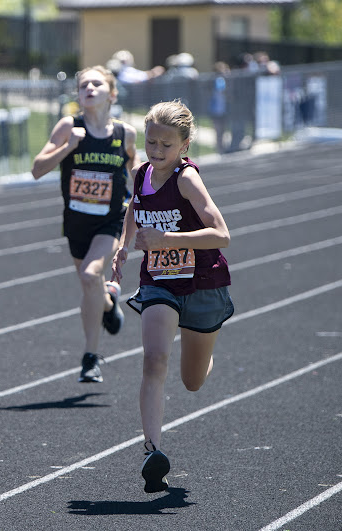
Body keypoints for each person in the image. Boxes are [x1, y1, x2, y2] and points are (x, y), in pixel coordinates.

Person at [111, 99, 233, 493]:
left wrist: (167, 238)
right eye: (151, 143)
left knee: (192, 381)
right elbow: (135, 205)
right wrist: (124, 243)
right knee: (153, 360)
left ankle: (203, 350)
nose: (157, 152)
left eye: (166, 145)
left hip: (202, 282)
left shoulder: (186, 180)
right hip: (159, 280)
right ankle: (153, 453)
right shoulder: (141, 173)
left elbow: (222, 234)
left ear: (184, 145)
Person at [31, 65, 139, 384]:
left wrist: (140, 196)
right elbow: (37, 169)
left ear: (112, 94)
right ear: (78, 95)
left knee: (90, 274)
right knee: (90, 285)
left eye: (97, 84)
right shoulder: (69, 126)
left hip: (111, 219)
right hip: (76, 221)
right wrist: (67, 147)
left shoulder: (125, 133)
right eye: (84, 86)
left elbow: (135, 167)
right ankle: (108, 302)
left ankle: (90, 358)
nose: (89, 89)